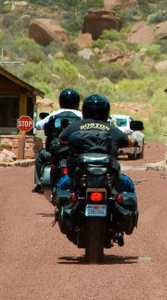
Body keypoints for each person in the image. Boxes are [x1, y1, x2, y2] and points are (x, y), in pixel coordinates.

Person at [55, 94, 138, 240]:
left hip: (79, 177)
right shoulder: (111, 129)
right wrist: (131, 139)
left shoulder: (75, 127)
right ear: (106, 111)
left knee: (62, 186)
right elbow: (128, 141)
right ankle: (129, 222)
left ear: (84, 110)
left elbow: (62, 139)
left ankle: (66, 218)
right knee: (128, 185)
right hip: (109, 178)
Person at [31, 88, 82, 193]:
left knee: (40, 156)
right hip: (76, 153)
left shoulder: (53, 115)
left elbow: (38, 126)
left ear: (61, 101)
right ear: (77, 101)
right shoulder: (82, 116)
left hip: (54, 153)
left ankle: (39, 185)